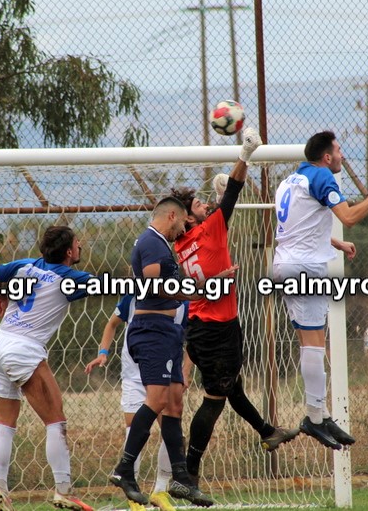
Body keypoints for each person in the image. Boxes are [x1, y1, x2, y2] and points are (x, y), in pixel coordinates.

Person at [170, 127, 299, 484]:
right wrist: (245, 154)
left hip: (199, 329)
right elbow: (233, 195)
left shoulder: (182, 246)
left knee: (231, 386)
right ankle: (187, 475)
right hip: (217, 330)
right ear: (190, 219)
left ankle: (267, 431)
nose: (206, 204)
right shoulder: (209, 229)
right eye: (199, 205)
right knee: (215, 399)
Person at [273, 130, 368, 450]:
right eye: (339, 151)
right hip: (304, 269)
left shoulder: (291, 180)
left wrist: (336, 242)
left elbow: (301, 226)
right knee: (315, 344)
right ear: (327, 156)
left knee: (311, 341)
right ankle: (313, 418)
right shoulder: (322, 177)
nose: (343, 156)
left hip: (287, 264)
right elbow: (350, 216)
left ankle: (321, 413)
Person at [110, 196, 234, 507]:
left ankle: (179, 478)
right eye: (180, 222)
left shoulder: (161, 246)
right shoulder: (152, 243)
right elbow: (153, 287)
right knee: (157, 401)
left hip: (163, 333)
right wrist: (194, 288)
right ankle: (125, 468)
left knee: (170, 403)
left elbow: (174, 288)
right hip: (152, 330)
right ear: (170, 215)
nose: (182, 227)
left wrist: (206, 284)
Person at [0, 226, 94, 511]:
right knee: (55, 420)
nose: (80, 246)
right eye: (77, 243)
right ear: (69, 252)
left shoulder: (24, 264)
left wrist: (3, 295)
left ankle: (0, 487)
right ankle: (63, 491)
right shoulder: (71, 278)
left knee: (5, 423)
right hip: (24, 350)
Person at [85, 295, 189, 511]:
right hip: (134, 374)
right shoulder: (132, 298)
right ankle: (133, 495)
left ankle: (160, 491)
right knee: (135, 432)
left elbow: (191, 340)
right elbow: (111, 324)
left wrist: (184, 372)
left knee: (173, 433)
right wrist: (103, 353)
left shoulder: (183, 302)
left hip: (166, 374)